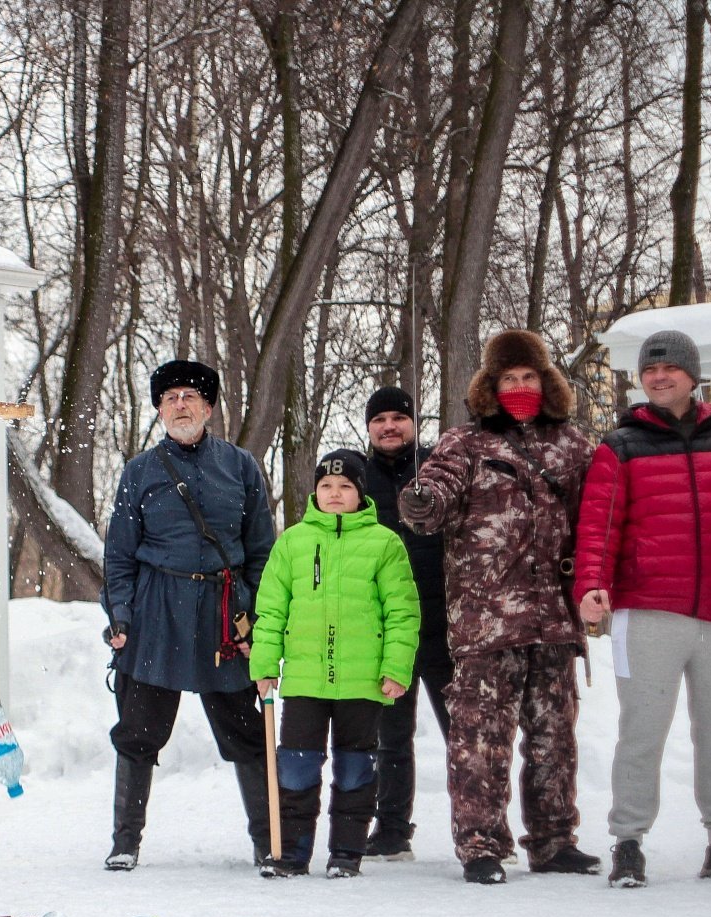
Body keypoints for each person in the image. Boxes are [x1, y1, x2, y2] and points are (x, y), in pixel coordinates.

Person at [573, 329, 711, 888]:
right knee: (642, 730)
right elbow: (599, 524)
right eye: (650, 370)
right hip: (648, 611)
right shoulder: (620, 445)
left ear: (692, 375)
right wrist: (592, 583)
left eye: (669, 369)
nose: (658, 377)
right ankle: (628, 842)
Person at [398, 329, 601, 885]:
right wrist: (421, 501)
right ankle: (482, 844)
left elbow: (600, 521)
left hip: (555, 620)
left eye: (528, 377)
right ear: (490, 385)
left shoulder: (576, 448)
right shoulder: (463, 444)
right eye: (508, 378)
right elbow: (433, 496)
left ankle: (555, 841)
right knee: (480, 742)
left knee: (554, 739)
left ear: (546, 382)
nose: (518, 386)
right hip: (487, 622)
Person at [101, 359, 276, 871]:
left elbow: (263, 551)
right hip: (158, 613)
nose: (181, 404)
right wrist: (121, 617)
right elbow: (119, 556)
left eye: (191, 397)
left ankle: (268, 842)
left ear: (209, 407)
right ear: (159, 410)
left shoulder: (241, 467)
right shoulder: (139, 472)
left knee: (247, 734)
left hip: (226, 614)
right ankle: (125, 842)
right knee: (138, 732)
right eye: (171, 397)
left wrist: (259, 621)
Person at [251, 450, 419, 878]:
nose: (335, 493)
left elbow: (402, 612)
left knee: (355, 767)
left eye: (345, 486)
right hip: (306, 679)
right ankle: (290, 853)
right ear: (315, 492)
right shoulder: (293, 542)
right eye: (326, 486)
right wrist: (265, 664)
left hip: (361, 682)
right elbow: (271, 611)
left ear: (360, 492)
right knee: (296, 764)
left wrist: (396, 667)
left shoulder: (385, 543)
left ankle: (346, 852)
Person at [360, 386, 454, 860]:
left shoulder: (439, 469)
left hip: (444, 625)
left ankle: (478, 828)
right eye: (380, 419)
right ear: (369, 427)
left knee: (464, 736)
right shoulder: (355, 479)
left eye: (399, 417)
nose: (390, 426)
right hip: (386, 632)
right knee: (390, 739)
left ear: (414, 423)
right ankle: (392, 831)